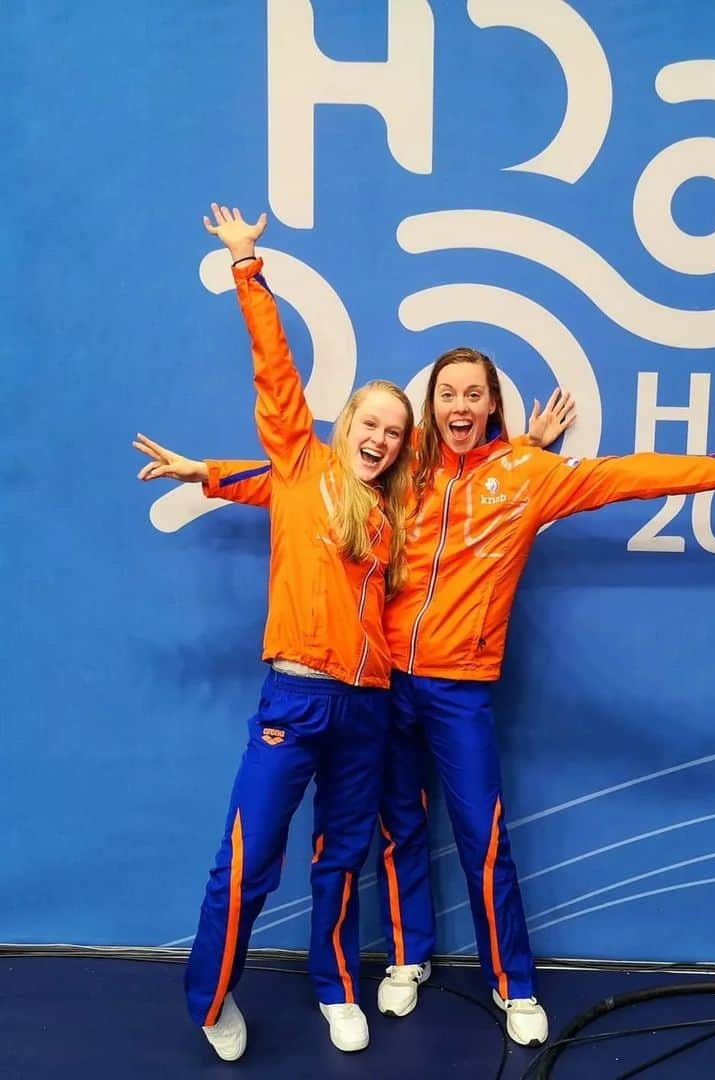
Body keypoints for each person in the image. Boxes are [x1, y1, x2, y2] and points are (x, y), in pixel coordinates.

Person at [138, 216, 715, 1049]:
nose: (458, 405)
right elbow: (295, 477)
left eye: (474, 394)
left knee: (482, 835)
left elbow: (629, 478)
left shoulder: (528, 475)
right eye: (447, 394)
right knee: (391, 832)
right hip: (378, 684)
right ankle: (405, 959)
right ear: (428, 408)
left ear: (491, 405)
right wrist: (212, 474)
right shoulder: (404, 472)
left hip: (457, 687)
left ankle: (515, 984)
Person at [160, 204, 415, 1062]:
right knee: (249, 857)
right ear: (347, 429)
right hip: (298, 693)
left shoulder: (386, 516)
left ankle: (336, 983)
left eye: (394, 431)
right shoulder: (304, 464)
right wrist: (246, 265)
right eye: (369, 424)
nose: (379, 438)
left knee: (343, 855)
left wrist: (218, 477)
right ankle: (210, 995)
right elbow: (276, 375)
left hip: (368, 706)